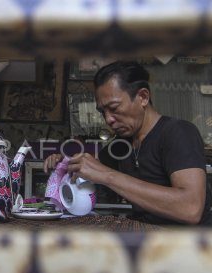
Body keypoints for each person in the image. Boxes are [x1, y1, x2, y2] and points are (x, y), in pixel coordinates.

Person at [44, 60, 212, 225]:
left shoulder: (178, 132)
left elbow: (191, 208)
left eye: (115, 108)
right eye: (103, 111)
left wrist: (107, 176)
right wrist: (65, 163)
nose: (108, 119)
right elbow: (93, 165)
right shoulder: (122, 143)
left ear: (143, 97)